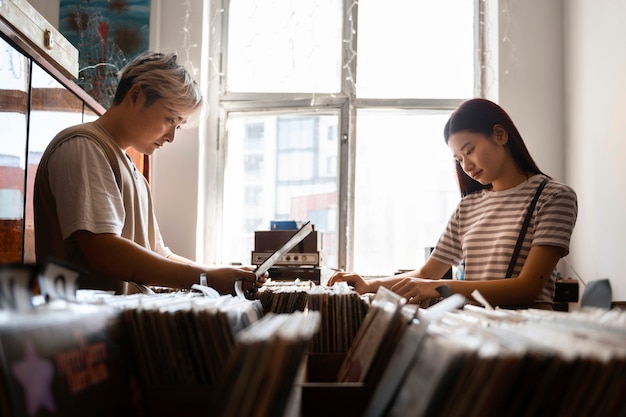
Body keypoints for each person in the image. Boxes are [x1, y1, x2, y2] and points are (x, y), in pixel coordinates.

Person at [34, 51, 264, 296]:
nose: (171, 137)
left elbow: (158, 254)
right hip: (86, 326)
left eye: (178, 126)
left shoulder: (136, 175)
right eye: (169, 120)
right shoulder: (84, 146)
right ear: (136, 95)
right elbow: (105, 252)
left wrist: (222, 272)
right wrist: (205, 278)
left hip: (125, 320)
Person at [328, 98, 578, 309]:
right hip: (475, 333)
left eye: (469, 151)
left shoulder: (553, 197)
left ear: (500, 135)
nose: (466, 166)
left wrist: (438, 287)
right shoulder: (468, 207)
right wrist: (369, 285)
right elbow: (427, 274)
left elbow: (527, 288)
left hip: (526, 338)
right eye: (458, 159)